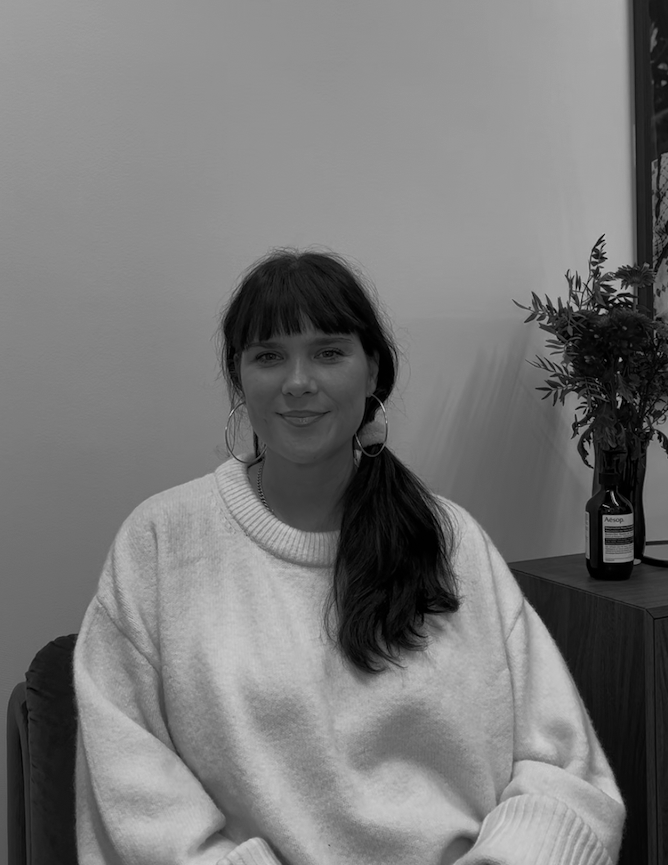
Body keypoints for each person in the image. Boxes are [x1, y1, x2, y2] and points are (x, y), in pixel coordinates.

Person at [74, 250, 625, 865]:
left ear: (372, 373)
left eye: (329, 352)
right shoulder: (160, 543)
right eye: (268, 356)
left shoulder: (450, 539)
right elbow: (131, 785)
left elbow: (566, 771)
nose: (298, 382)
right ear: (239, 378)